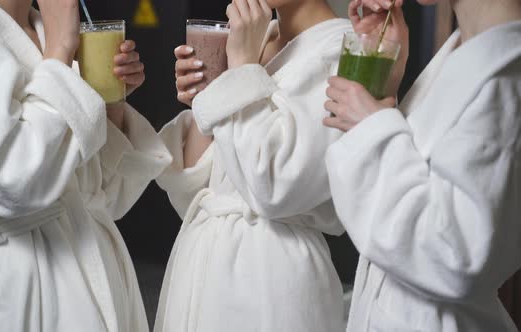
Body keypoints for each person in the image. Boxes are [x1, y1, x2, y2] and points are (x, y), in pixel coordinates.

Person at [0, 0, 171, 331]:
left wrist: (109, 103)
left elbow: (103, 196)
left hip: (99, 267)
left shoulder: (46, 27)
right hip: (23, 282)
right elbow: (13, 180)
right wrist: (60, 48)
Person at [323, 0, 521, 331]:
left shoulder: (505, 74)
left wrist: (372, 127)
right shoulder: (465, 49)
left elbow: (457, 255)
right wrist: (383, 92)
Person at [154, 0, 352, 330]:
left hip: (272, 278)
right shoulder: (255, 38)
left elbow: (275, 186)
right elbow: (196, 189)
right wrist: (207, 97)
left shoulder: (343, 51)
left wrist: (242, 67)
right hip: (200, 264)